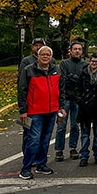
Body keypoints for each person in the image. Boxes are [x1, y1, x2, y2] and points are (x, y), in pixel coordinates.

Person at [17, 46, 65, 180]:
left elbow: (61, 90)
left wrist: (61, 107)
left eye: (48, 54)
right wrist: (23, 110)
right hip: (34, 111)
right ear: (38, 56)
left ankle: (41, 164)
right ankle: (26, 168)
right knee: (33, 140)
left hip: (51, 111)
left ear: (51, 57)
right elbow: (22, 91)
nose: (45, 57)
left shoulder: (57, 70)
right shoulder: (29, 70)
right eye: (43, 54)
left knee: (45, 140)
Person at [75, 53, 97, 166]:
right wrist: (81, 101)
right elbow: (77, 89)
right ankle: (84, 156)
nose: (94, 63)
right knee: (85, 135)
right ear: (89, 61)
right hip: (85, 107)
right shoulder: (83, 73)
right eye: (92, 61)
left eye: (96, 61)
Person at [56, 40, 87, 162]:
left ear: (82, 51)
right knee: (61, 126)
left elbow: (84, 81)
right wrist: (75, 80)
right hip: (64, 99)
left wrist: (74, 79)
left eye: (79, 49)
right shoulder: (64, 63)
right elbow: (63, 79)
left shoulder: (85, 65)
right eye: (75, 49)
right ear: (70, 50)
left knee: (75, 125)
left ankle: (73, 147)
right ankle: (59, 150)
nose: (77, 51)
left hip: (77, 100)